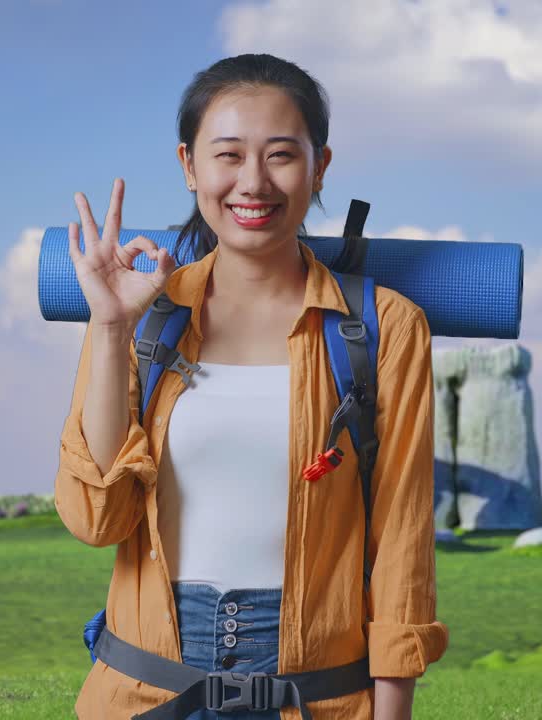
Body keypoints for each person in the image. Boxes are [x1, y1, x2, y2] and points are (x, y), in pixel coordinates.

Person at [55, 53, 447, 720]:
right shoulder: (138, 315)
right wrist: (112, 327)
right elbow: (98, 520)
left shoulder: (386, 329)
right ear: (189, 166)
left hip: (320, 697)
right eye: (228, 155)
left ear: (320, 166)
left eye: (281, 155)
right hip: (143, 691)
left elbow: (402, 543)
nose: (253, 183)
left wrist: (393, 711)